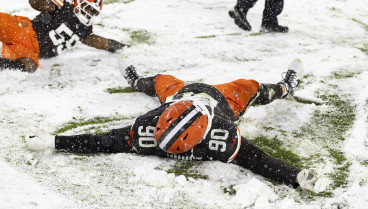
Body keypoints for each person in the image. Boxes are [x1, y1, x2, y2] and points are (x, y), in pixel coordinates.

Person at [26, 59, 330, 193]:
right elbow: (258, 160)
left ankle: (284, 87)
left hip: (204, 98)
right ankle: (137, 80)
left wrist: (56, 141)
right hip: (200, 98)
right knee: (240, 85)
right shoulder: (213, 138)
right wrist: (295, 176)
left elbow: (104, 141)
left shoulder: (213, 134)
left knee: (250, 86)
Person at [0, 0, 128, 73]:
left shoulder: (84, 29)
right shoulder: (64, 8)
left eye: (92, 11)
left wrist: (123, 47)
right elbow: (36, 3)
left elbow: (101, 42)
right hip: (24, 31)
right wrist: (43, 3)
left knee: (30, 66)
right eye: (88, 8)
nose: (88, 13)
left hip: (32, 51)